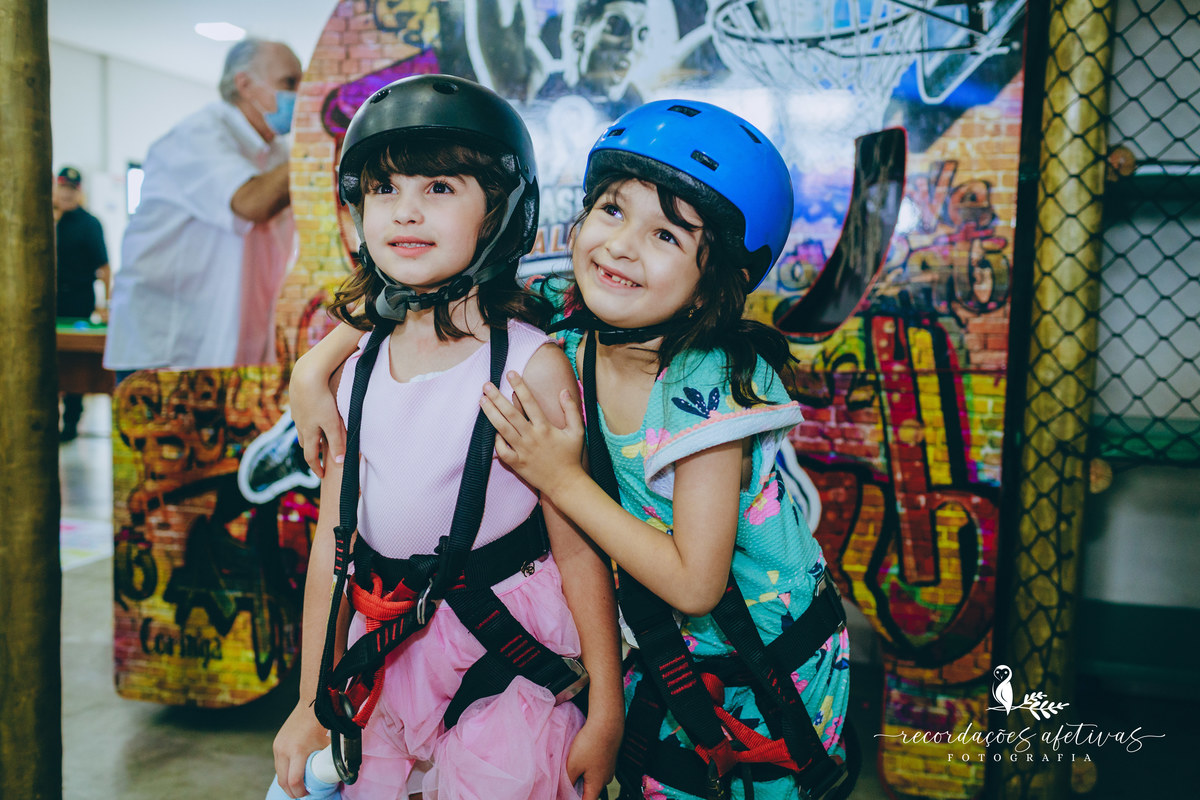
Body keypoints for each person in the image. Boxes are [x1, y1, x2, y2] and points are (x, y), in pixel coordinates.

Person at [288, 100, 855, 799]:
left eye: (668, 235)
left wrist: (561, 479)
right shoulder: (572, 311)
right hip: (656, 646)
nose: (621, 246)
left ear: (717, 277)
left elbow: (695, 583)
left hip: (764, 660)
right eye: (612, 211)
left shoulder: (705, 385)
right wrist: (313, 367)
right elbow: (422, 292)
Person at [270, 74, 623, 800]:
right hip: (389, 648)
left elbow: (575, 542)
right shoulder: (358, 368)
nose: (404, 211)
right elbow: (332, 549)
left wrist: (608, 711)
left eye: (438, 188)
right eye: (383, 189)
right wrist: (310, 698)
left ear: (499, 212)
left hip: (503, 657)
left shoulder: (532, 364)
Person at [103, 38, 301, 376]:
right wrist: (319, 142)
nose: (302, 94)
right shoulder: (197, 136)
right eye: (290, 83)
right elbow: (250, 203)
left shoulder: (279, 153)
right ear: (244, 84)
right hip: (169, 351)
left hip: (235, 349)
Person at [53, 165, 110, 441]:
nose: (66, 194)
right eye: (62, 188)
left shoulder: (90, 224)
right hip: (48, 300)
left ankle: (71, 422)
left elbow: (104, 267)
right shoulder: (48, 220)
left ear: (79, 192)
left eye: (71, 189)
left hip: (77, 299)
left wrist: (106, 304)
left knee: (74, 366)